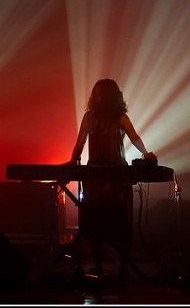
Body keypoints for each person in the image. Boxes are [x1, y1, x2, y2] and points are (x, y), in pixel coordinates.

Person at [69, 78, 157, 279]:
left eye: (100, 93)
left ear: (108, 96)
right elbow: (80, 141)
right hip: (95, 176)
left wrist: (146, 154)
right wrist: (73, 160)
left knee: (121, 221)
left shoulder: (120, 118)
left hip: (117, 175)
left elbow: (134, 137)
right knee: (95, 220)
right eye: (96, 92)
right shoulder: (89, 117)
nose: (97, 96)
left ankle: (123, 267)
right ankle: (99, 265)